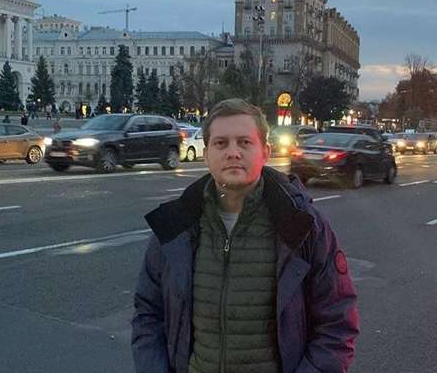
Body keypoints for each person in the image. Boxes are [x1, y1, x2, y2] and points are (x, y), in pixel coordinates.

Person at [131, 99, 359, 373]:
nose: (233, 152)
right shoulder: (175, 225)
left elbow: (337, 324)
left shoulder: (303, 226)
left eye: (244, 142)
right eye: (221, 143)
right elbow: (148, 315)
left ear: (265, 152)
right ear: (207, 154)